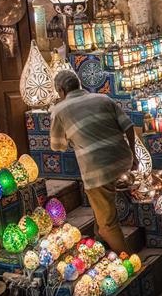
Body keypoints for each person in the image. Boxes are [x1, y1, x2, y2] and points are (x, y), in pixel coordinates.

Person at [49, 71, 136, 254]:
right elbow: (128, 126)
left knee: (107, 224)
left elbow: (57, 146)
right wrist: (134, 156)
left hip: (98, 170)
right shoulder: (103, 98)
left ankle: (130, 263)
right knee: (102, 207)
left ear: (61, 90)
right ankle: (101, 246)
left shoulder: (60, 110)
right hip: (123, 161)